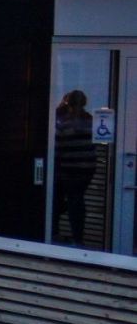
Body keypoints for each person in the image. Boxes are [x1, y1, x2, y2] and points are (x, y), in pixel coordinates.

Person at [56, 90, 99, 244]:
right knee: (77, 199)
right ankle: (78, 238)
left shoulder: (63, 122)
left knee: (64, 199)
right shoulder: (92, 121)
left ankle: (57, 233)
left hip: (68, 167)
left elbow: (57, 146)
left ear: (68, 102)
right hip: (87, 168)